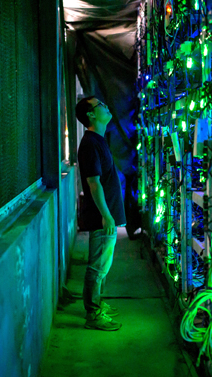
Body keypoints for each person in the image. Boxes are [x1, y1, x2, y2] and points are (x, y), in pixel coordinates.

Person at [75, 96, 127, 331]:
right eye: (101, 105)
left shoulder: (98, 140)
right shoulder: (90, 144)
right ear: (91, 115)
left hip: (106, 214)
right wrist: (105, 215)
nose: (106, 106)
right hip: (101, 216)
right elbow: (94, 183)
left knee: (102, 266)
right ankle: (93, 314)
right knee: (97, 267)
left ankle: (97, 305)